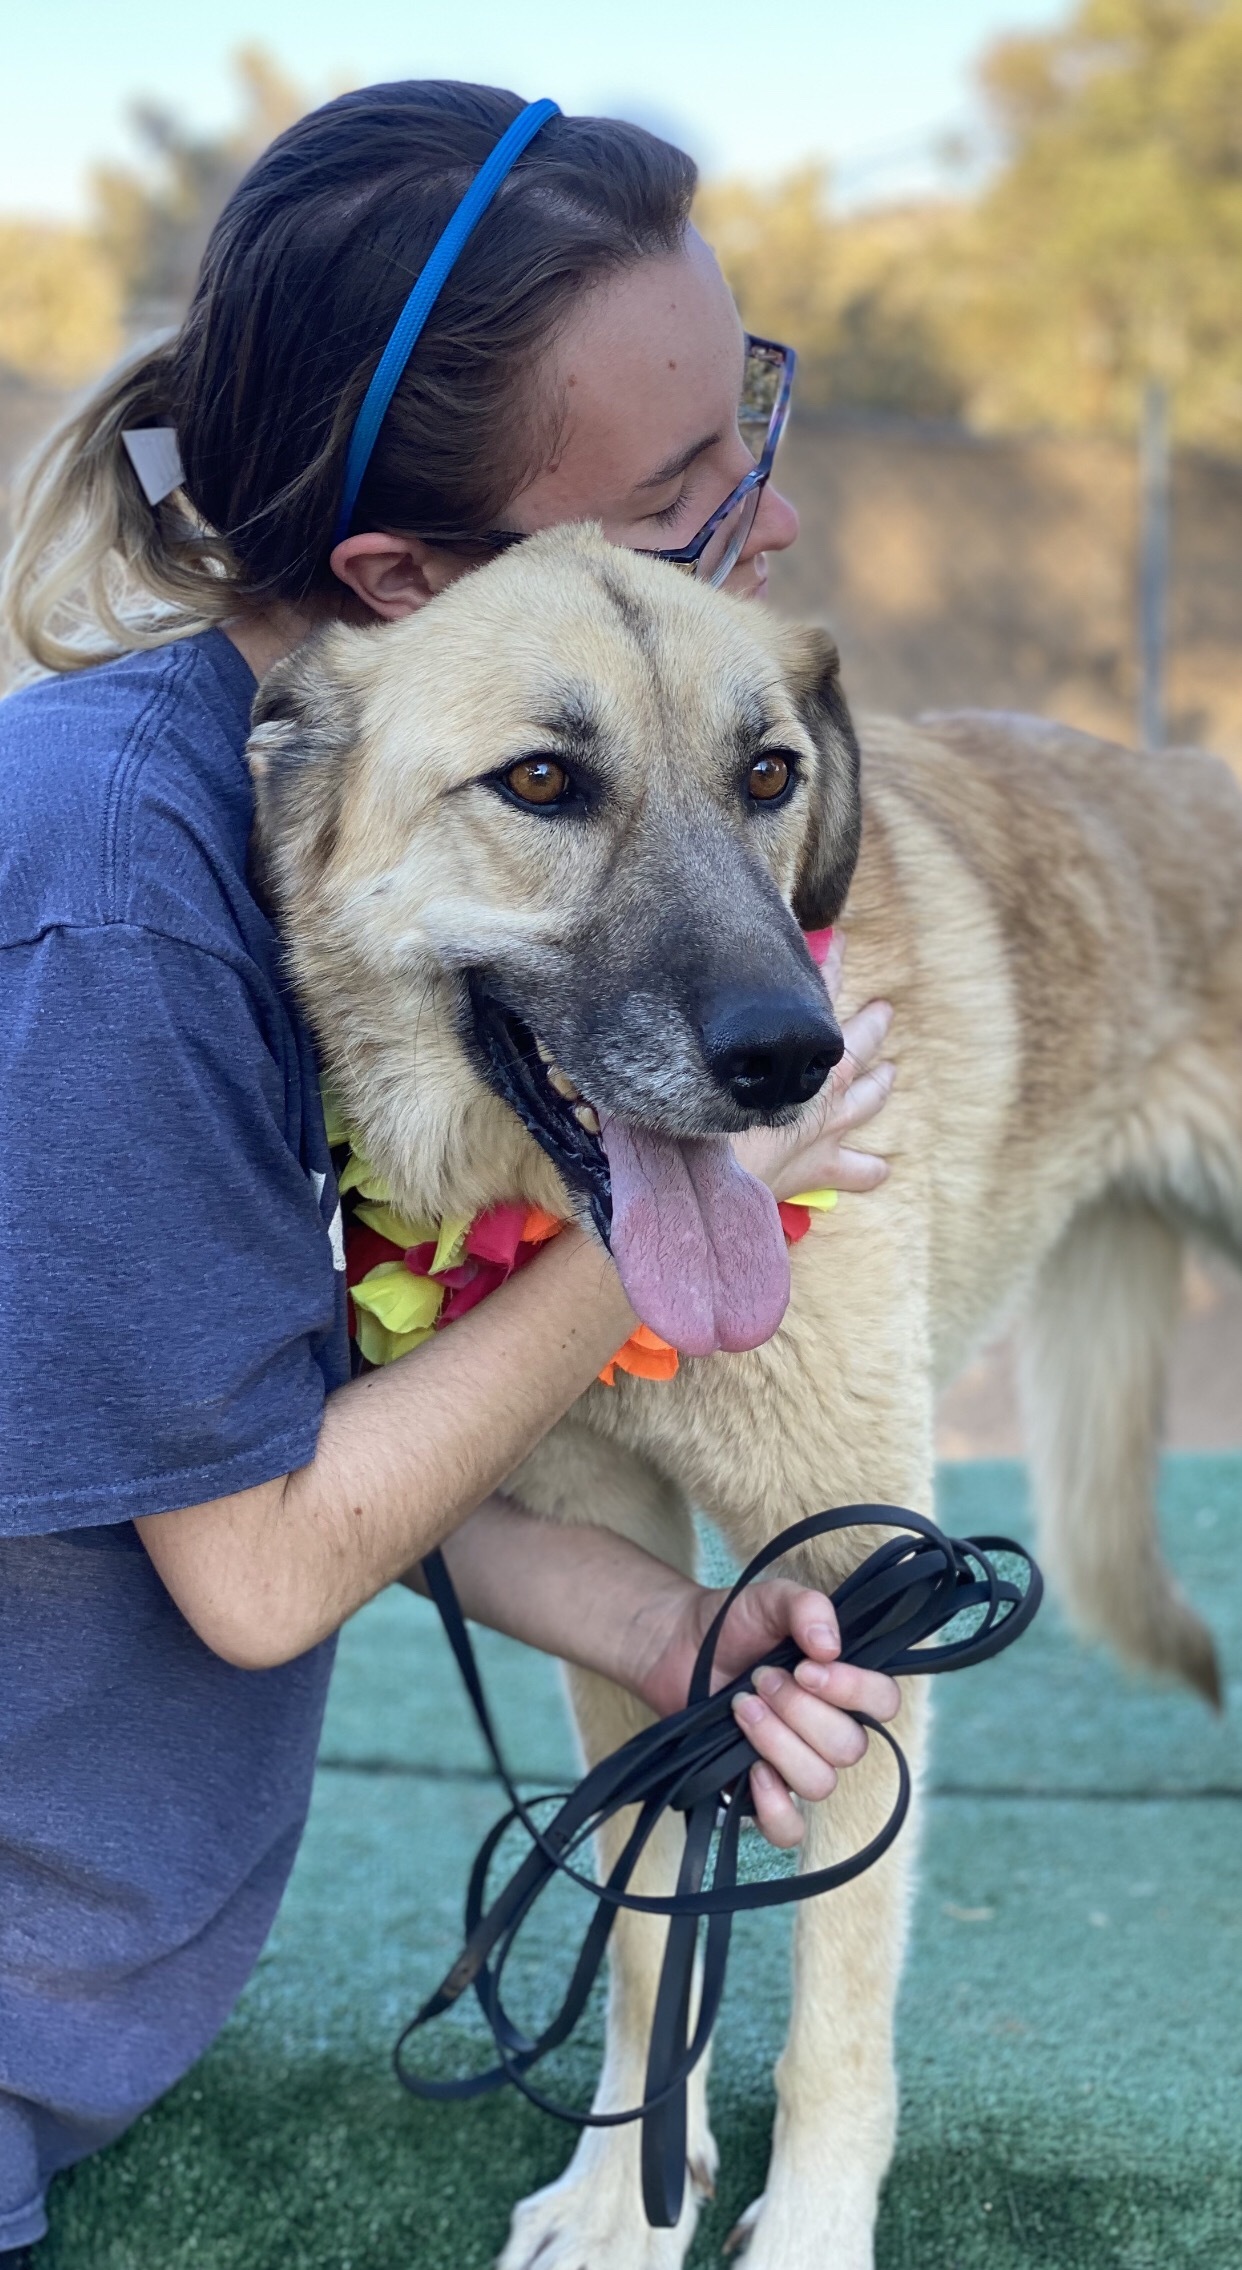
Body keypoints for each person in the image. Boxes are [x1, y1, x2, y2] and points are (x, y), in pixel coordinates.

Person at [0, 81, 900, 2260]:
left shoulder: (246, 802)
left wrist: (658, 1621)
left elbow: (222, 1407)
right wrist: (685, 1210)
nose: (762, 537)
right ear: (402, 594)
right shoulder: (125, 897)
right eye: (683, 505)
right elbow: (260, 1562)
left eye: (749, 429)